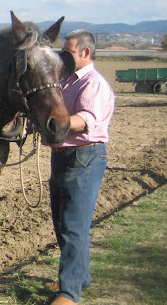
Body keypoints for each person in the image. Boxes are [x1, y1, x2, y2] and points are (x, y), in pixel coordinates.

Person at [45, 30, 115, 305]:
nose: (64, 57)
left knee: (74, 225)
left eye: (69, 52)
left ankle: (69, 293)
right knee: (63, 223)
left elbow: (86, 119)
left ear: (85, 52)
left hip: (83, 157)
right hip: (63, 156)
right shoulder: (66, 81)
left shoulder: (93, 84)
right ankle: (77, 277)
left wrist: (53, 122)